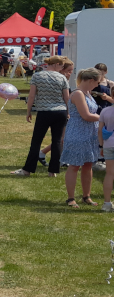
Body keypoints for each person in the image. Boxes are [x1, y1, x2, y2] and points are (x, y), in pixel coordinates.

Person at [11, 56, 70, 177]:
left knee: (36, 141)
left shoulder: (37, 76)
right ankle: (53, 171)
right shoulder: (62, 77)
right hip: (60, 111)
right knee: (57, 141)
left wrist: (28, 111)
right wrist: (68, 112)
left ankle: (28, 169)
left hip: (44, 111)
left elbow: (31, 95)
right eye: (61, 66)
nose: (62, 68)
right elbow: (66, 98)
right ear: (56, 64)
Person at [61, 68, 102, 207]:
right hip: (78, 133)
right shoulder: (78, 94)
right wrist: (105, 118)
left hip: (89, 134)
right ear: (90, 80)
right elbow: (86, 115)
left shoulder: (88, 93)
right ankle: (70, 198)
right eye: (97, 82)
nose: (97, 85)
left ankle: (86, 196)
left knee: (88, 164)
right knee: (74, 165)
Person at [97, 98, 114, 211]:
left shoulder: (105, 111)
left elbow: (100, 130)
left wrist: (101, 145)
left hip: (108, 144)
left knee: (109, 174)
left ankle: (107, 203)